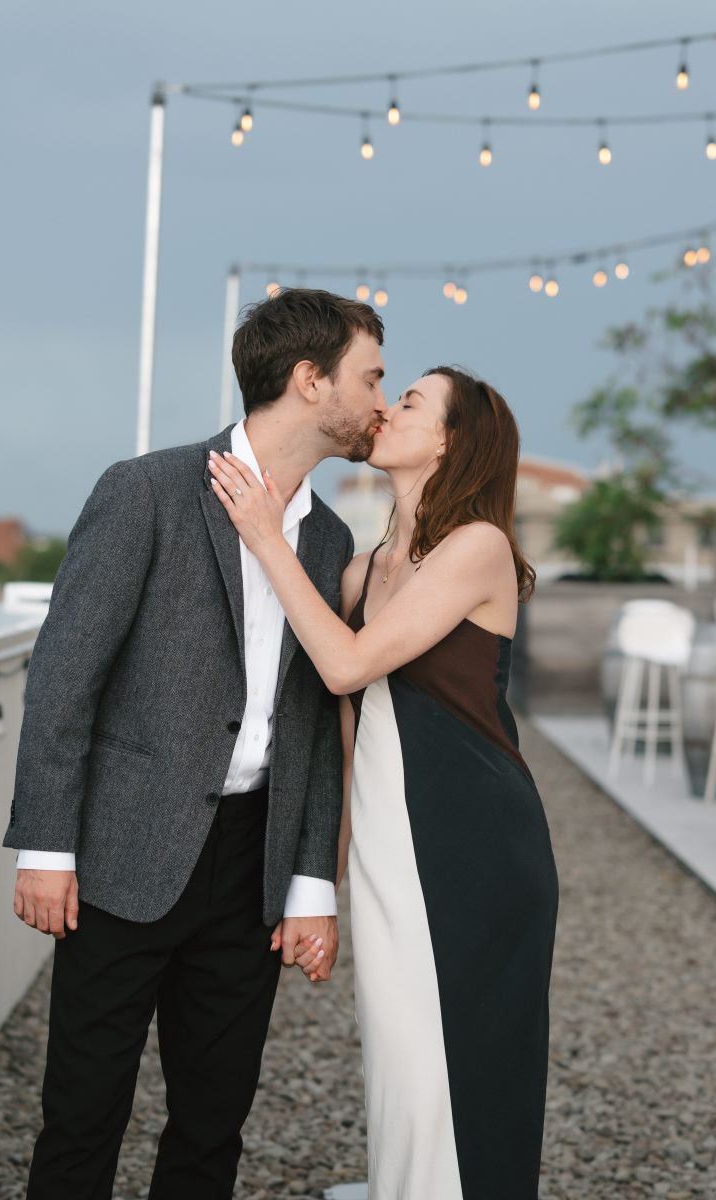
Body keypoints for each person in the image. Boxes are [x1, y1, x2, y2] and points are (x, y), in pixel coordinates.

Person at [4, 287, 387, 1199]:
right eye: (370, 377)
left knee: (213, 1130)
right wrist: (47, 847)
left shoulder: (330, 538)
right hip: (121, 854)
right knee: (83, 1117)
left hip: (249, 870)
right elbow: (65, 679)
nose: (381, 398)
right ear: (309, 380)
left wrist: (308, 886)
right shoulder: (145, 491)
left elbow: (312, 728)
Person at [207, 364, 559, 1199]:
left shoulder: (478, 547)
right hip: (390, 842)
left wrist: (264, 535)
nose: (385, 408)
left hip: (472, 842)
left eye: (409, 402)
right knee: (399, 1049)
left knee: (466, 1061)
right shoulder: (364, 573)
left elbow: (346, 665)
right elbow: (344, 731)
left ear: (448, 438)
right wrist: (319, 882)